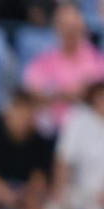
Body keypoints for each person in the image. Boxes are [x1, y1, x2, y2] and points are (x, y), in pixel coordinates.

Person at [21, 3, 104, 133]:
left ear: (81, 27)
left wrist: (63, 93)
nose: (69, 31)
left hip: (88, 128)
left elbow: (98, 94)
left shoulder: (96, 58)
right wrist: (63, 93)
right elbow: (32, 89)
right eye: (65, 26)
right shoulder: (44, 59)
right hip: (51, 128)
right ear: (56, 27)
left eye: (73, 27)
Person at [55, 80, 104, 209]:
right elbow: (63, 160)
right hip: (80, 193)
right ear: (93, 98)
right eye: (100, 96)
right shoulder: (78, 120)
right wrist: (60, 195)